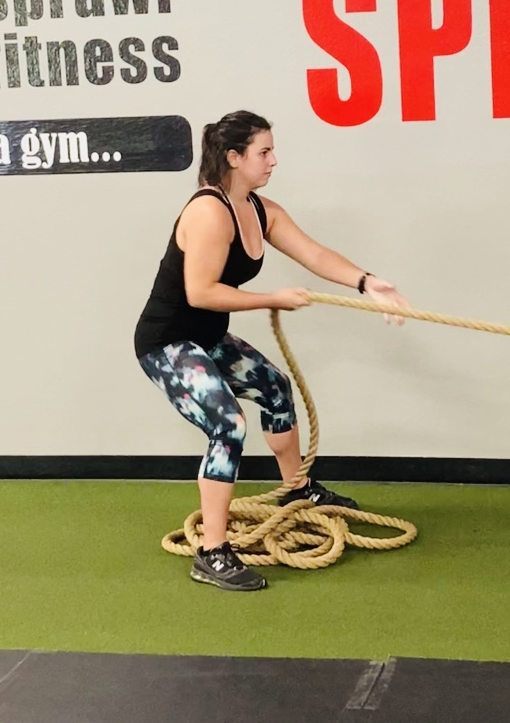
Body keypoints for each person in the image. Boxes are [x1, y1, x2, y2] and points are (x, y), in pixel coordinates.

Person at [134, 110, 408, 592]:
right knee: (227, 424)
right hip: (168, 343)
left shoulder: (261, 210)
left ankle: (297, 492)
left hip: (208, 339)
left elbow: (315, 254)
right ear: (234, 158)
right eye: (264, 152)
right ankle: (212, 552)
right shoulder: (207, 212)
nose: (273, 161)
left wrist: (368, 282)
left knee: (276, 391)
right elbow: (200, 292)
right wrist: (273, 299)